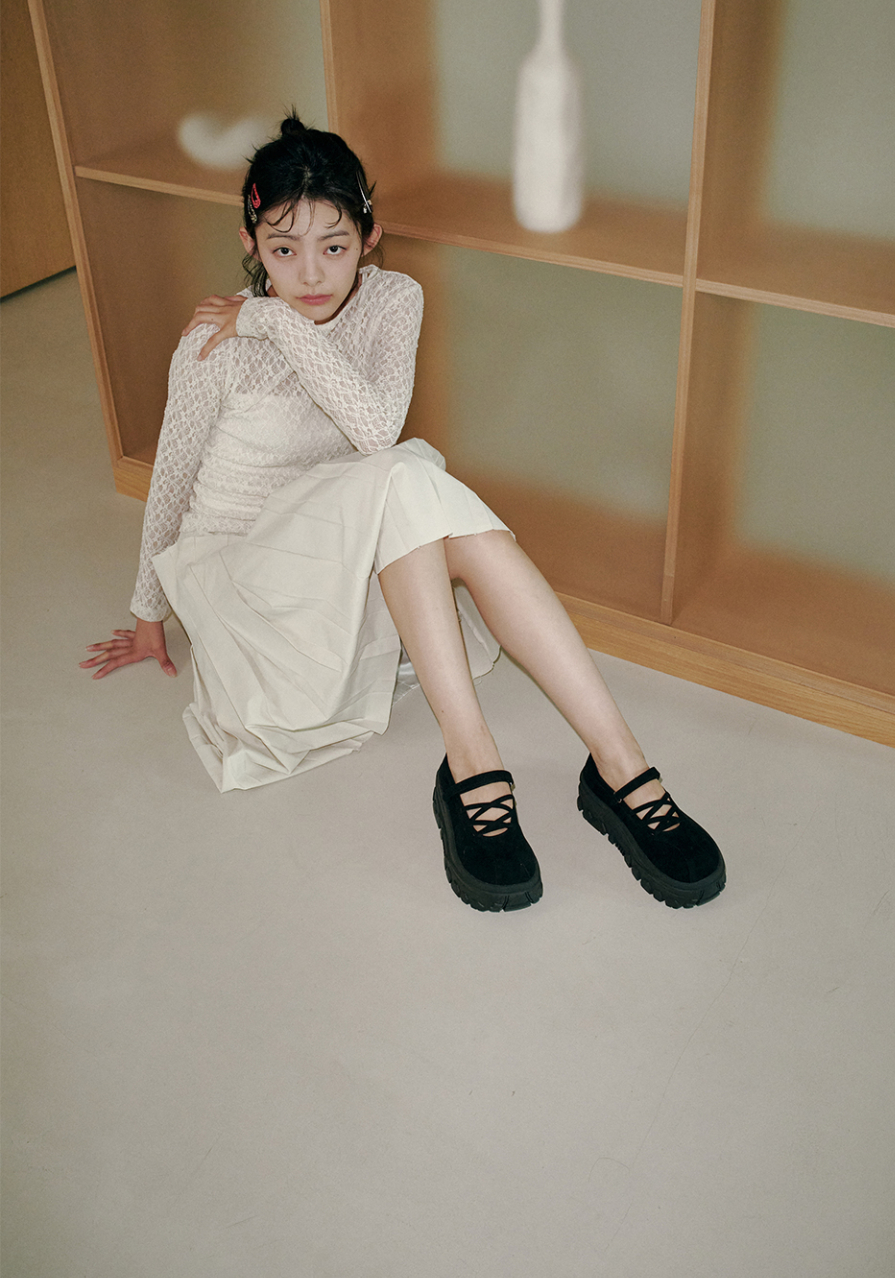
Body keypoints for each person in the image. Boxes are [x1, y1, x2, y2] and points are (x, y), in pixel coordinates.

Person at [84, 105, 728, 915]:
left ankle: (613, 764)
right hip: (251, 579)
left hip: (350, 558)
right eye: (282, 251)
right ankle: (495, 763)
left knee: (407, 482)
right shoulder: (216, 342)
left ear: (370, 236)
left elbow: (372, 426)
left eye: (334, 246)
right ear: (250, 244)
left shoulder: (394, 301)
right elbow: (174, 478)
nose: (310, 274)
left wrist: (274, 318)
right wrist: (148, 612)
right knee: (405, 475)